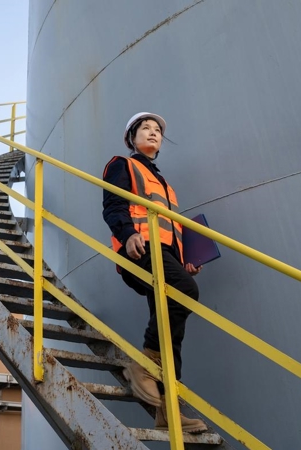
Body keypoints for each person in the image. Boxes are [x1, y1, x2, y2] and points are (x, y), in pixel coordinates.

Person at [102, 112, 207, 433]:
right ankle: (142, 366)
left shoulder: (165, 184)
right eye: (145, 128)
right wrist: (127, 233)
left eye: (157, 130)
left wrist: (185, 259)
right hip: (140, 249)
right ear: (131, 138)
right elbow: (114, 205)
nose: (153, 133)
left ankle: (168, 413)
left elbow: (170, 228)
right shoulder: (122, 164)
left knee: (171, 338)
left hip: (165, 255)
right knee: (186, 292)